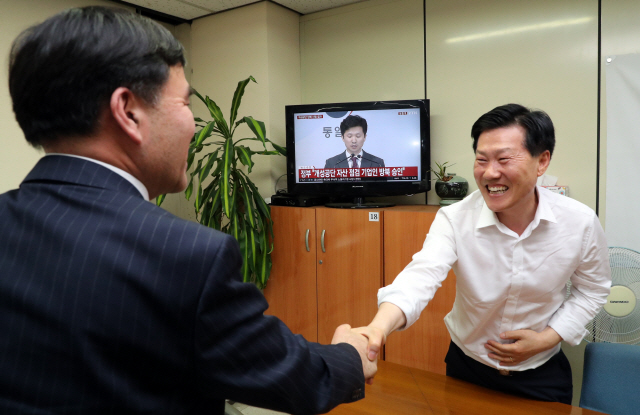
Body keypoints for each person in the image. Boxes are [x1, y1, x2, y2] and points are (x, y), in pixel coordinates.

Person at [0, 7, 376, 414]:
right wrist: (350, 353)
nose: (195, 125)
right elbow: (298, 380)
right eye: (184, 104)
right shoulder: (187, 256)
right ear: (128, 111)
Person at [354, 103, 611, 404]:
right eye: (481, 160)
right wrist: (377, 328)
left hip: (542, 374)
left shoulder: (579, 222)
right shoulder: (455, 218)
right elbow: (420, 277)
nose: (490, 173)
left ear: (542, 162)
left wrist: (547, 338)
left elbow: (592, 290)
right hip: (468, 369)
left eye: (504, 159)